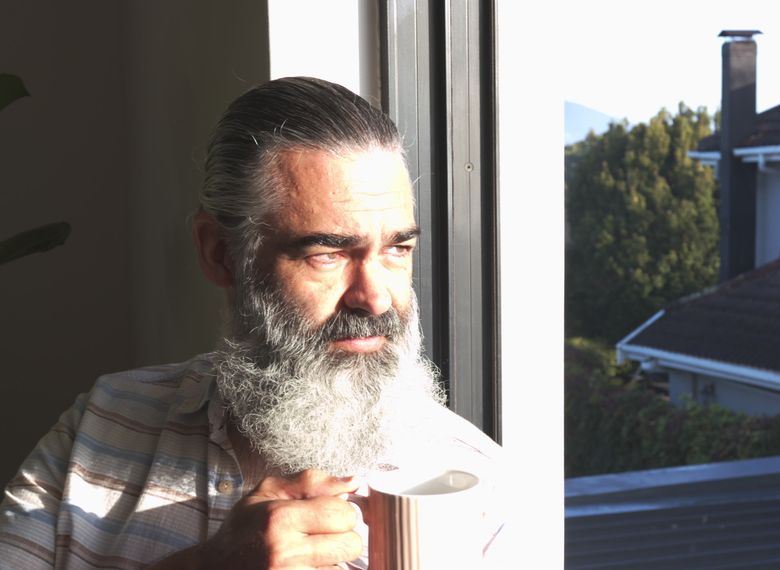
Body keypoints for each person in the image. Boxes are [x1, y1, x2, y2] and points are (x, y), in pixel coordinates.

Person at [0, 76, 502, 569]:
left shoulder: (478, 485)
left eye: (398, 249)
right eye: (327, 253)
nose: (374, 298)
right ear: (220, 253)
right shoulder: (102, 423)